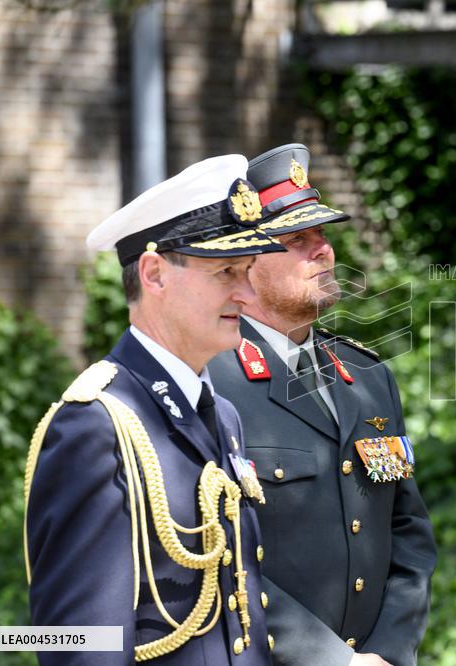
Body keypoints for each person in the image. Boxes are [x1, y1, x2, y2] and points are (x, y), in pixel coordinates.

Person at [24, 155, 286, 664]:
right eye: (227, 271)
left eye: (249, 271)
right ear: (154, 274)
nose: (248, 293)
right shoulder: (96, 424)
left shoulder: (222, 414)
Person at [208, 143, 437, 666]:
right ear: (244, 264)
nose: (324, 250)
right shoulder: (210, 381)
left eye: (323, 235)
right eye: (297, 239)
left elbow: (409, 533)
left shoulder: (368, 377)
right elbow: (218, 555)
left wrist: (388, 652)